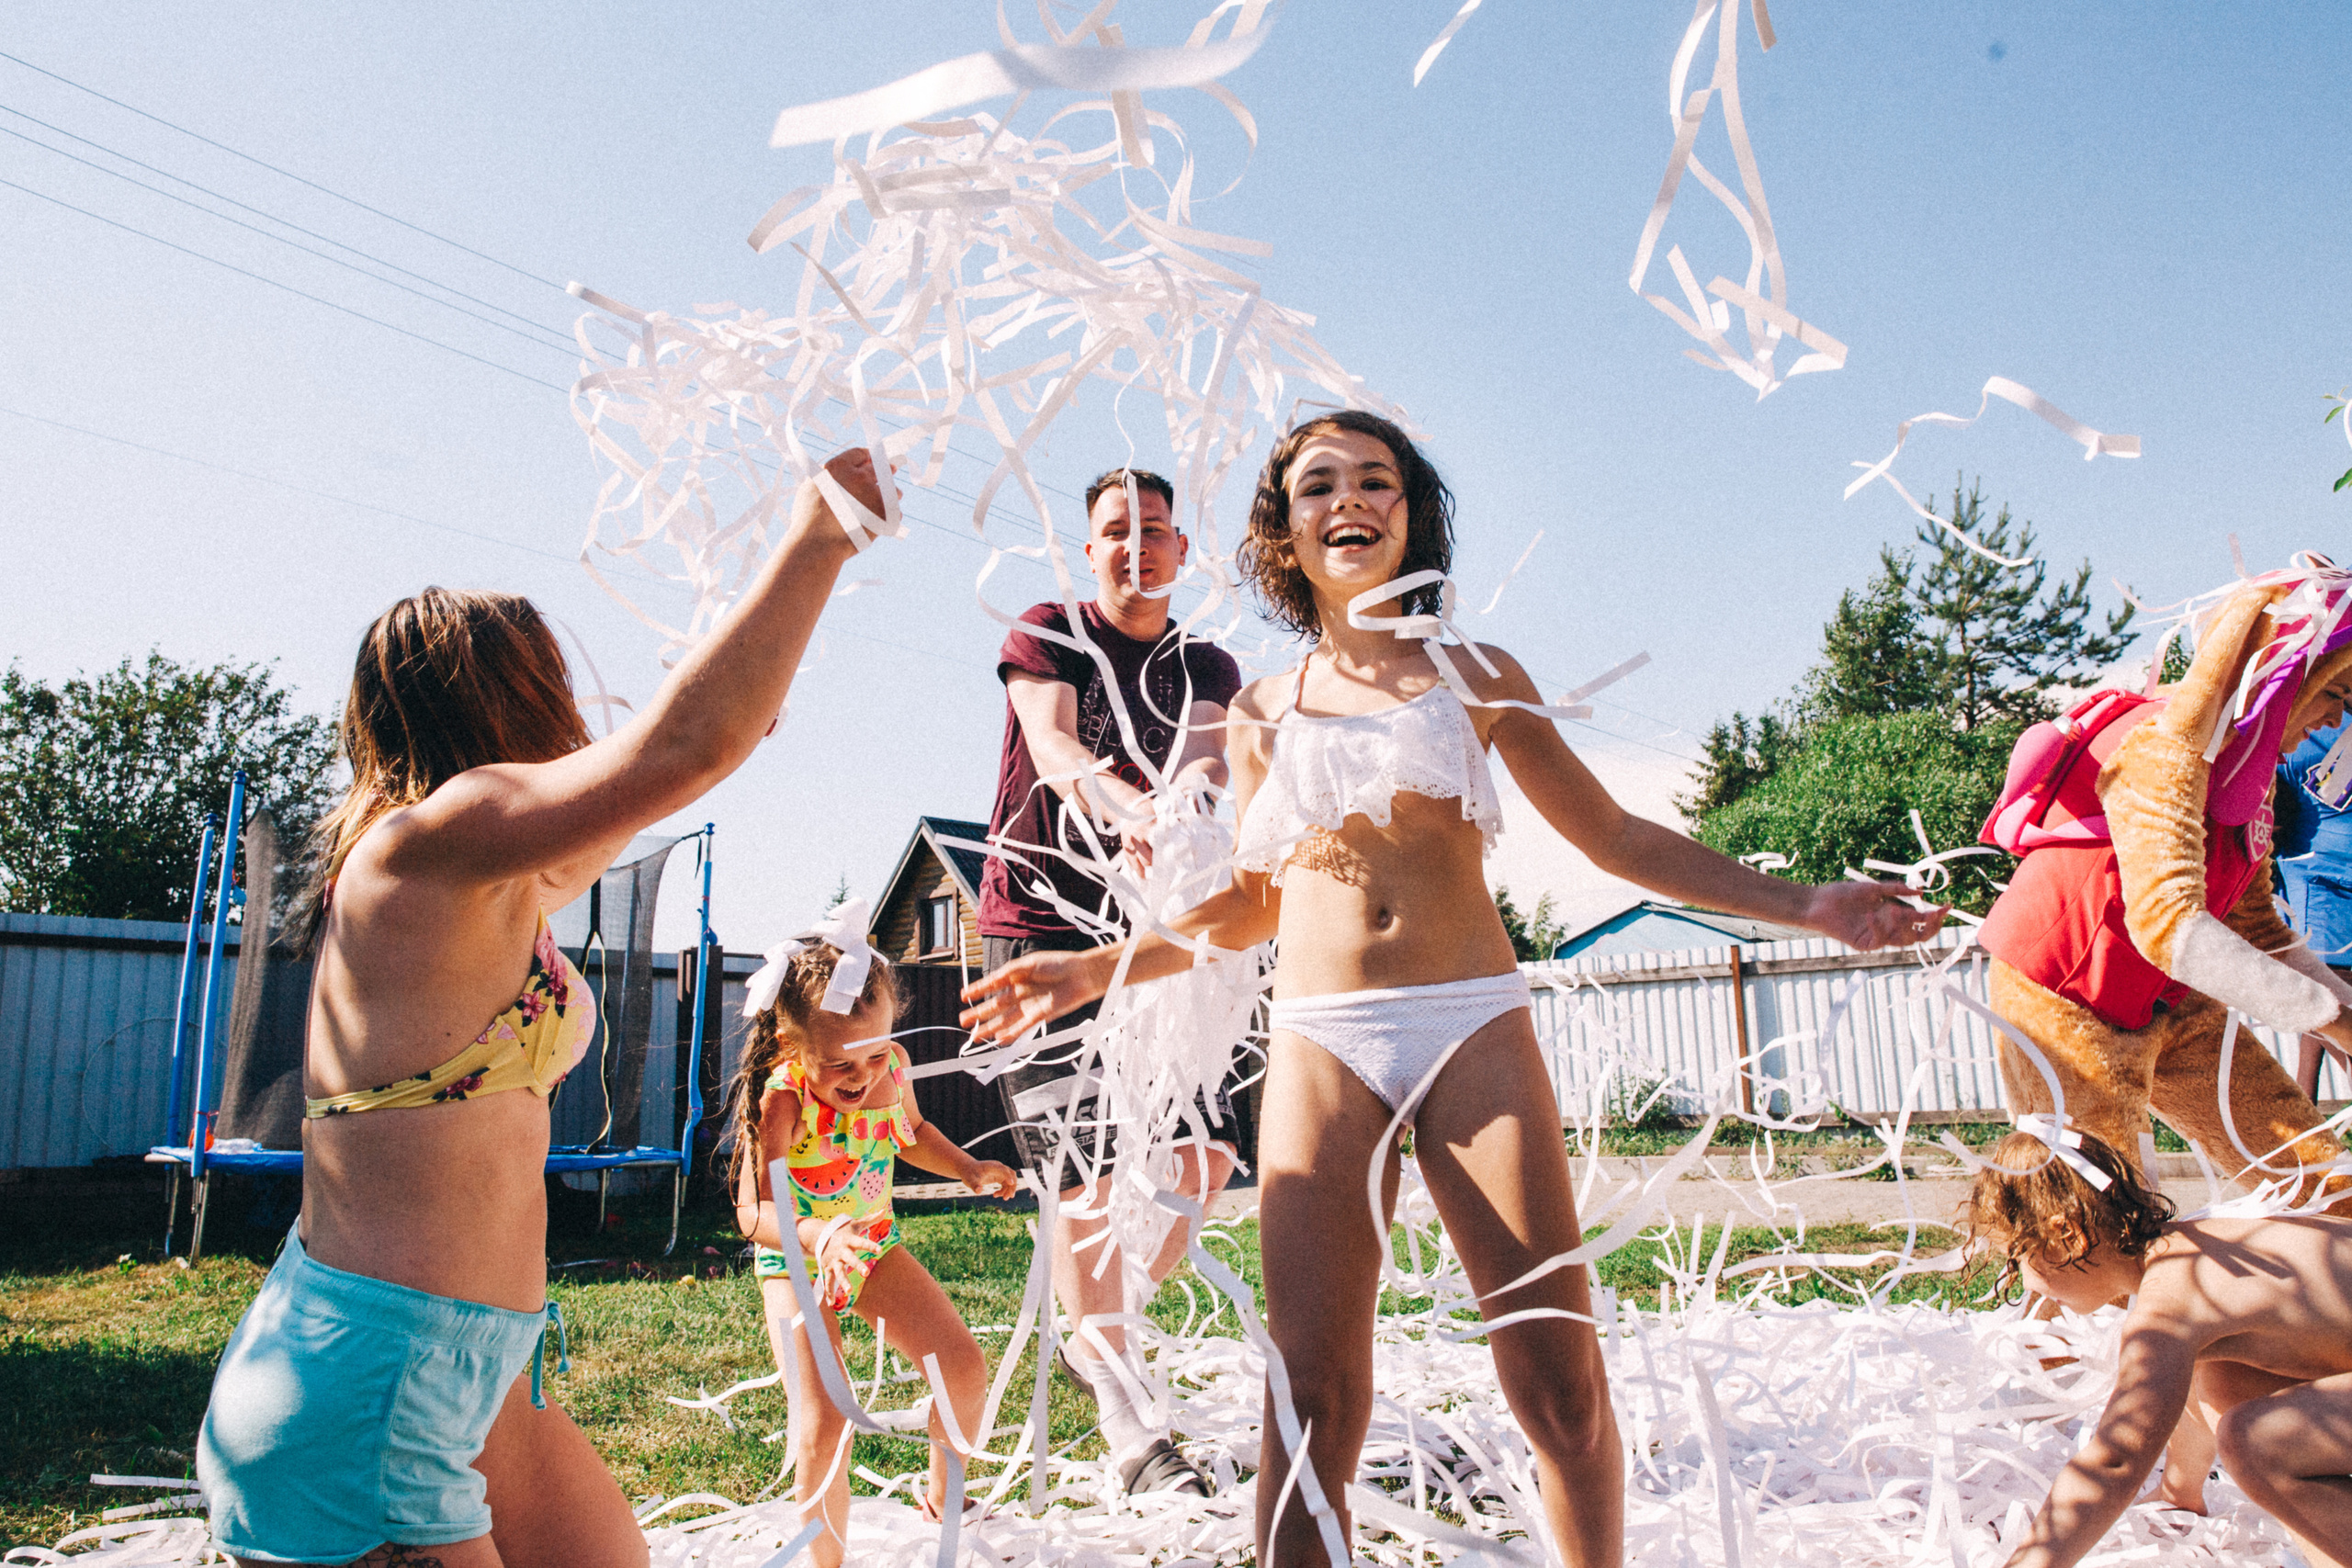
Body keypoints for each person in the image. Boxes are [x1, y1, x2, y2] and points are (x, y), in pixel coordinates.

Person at [961, 410, 1939, 1568]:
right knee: (1313, 1396)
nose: (1349, 501)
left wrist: (1805, 905)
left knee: (1558, 1385)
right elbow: (1254, 903)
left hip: (1468, 1023)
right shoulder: (1265, 711)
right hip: (1322, 1043)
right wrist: (1094, 967)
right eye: (1318, 486)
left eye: (1375, 481)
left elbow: (1615, 836)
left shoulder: (1475, 674)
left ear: (1412, 514)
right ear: (1286, 529)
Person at [194, 449, 894, 1568]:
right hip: (371, 1390)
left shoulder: (480, 881)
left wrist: (725, 713)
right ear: (510, 692)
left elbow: (678, 761)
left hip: (481, 1373)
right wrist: (822, 529)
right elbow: (678, 749)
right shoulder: (426, 848)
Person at [975, 466, 1245, 1495]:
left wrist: (1180, 816)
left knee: (1197, 1166)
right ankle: (1133, 1428)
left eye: (1158, 532)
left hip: (1150, 946)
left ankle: (1095, 1333)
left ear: (1184, 550)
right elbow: (1049, 744)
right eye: (1116, 532)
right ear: (1089, 551)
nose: (1138, 549)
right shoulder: (1049, 632)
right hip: (1042, 933)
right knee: (1088, 1183)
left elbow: (1206, 762)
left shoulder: (1204, 661)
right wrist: (1130, 814)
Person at [728, 931, 1018, 1565]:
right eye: (841, 1064)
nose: (862, 1076)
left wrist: (966, 1166)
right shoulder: (782, 1096)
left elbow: (910, 1133)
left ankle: (947, 1501)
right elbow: (754, 1212)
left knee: (962, 1367)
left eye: (876, 1054)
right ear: (792, 1047)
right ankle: (823, 1560)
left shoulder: (890, 1068)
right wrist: (820, 1233)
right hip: (797, 1260)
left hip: (873, 1246)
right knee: (828, 1415)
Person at [1963, 1123, 2352, 1568]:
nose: (2024, 1281)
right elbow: (2180, 1394)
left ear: (2066, 1235)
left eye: (2017, 1259)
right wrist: (2178, 1496)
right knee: (2222, 1375)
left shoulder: (2170, 1304)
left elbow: (2114, 1460)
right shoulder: (2196, 1245)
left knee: (2256, 1442)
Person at [2276, 717, 2352, 1099]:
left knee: (2326, 997)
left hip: (2330, 863)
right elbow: (2276, 808)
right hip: (2318, 872)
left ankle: (2303, 1111)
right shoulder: (2305, 722)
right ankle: (2303, 1114)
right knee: (2330, 988)